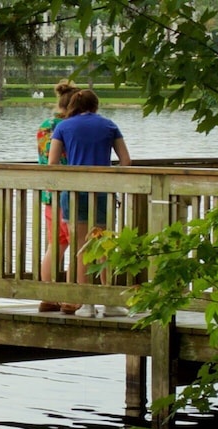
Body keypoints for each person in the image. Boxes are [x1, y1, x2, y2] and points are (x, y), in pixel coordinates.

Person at [48, 89, 132, 317]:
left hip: (75, 193)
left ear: (74, 105)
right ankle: (110, 302)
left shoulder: (63, 127)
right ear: (96, 105)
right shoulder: (109, 125)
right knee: (104, 246)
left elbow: (53, 162)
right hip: (102, 192)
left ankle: (86, 304)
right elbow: (125, 161)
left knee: (81, 247)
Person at [36, 81, 80, 313]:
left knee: (56, 246)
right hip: (71, 193)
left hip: (49, 193)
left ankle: (49, 296)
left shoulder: (45, 125)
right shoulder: (70, 126)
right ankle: (73, 298)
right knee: (79, 246)